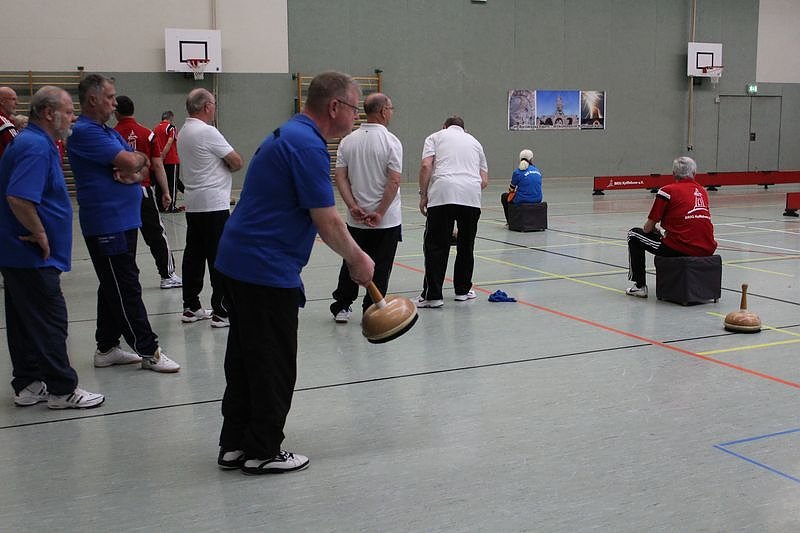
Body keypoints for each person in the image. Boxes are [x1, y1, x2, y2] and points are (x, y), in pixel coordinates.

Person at [214, 71, 374, 475]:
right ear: (334, 107)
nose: (356, 117)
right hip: (263, 267)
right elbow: (328, 220)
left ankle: (235, 443)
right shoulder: (307, 145)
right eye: (354, 108)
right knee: (272, 363)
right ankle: (263, 450)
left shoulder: (291, 134)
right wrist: (358, 259)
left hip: (239, 260)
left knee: (246, 358)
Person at [67, 73, 180, 373]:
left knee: (112, 284)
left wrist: (135, 164)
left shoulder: (108, 132)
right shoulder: (86, 132)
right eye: (109, 97)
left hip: (125, 220)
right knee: (126, 286)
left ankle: (106, 347)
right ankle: (149, 349)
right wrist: (133, 163)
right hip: (107, 224)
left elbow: (140, 165)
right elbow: (132, 163)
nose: (114, 103)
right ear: (93, 99)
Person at [0, 86, 104, 409]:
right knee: (50, 320)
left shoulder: (34, 142)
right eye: (69, 112)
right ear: (48, 113)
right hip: (30, 255)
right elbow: (19, 197)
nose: (73, 118)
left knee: (23, 321)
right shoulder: (34, 146)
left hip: (18, 254)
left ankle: (29, 383)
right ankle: (62, 389)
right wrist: (41, 233)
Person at [329, 92, 402, 323]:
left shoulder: (347, 141)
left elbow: (340, 176)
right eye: (391, 109)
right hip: (386, 220)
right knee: (381, 266)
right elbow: (394, 181)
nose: (391, 113)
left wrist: (353, 206)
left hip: (356, 219)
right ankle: (371, 310)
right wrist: (379, 212)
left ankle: (342, 305)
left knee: (351, 261)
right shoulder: (392, 141)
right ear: (383, 111)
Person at [176, 88, 243, 328]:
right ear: (206, 106)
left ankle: (191, 306)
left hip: (194, 203)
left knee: (194, 255)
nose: (214, 108)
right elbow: (236, 161)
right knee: (219, 256)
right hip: (213, 204)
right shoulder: (208, 132)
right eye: (213, 104)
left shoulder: (183, 132)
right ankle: (222, 311)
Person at [417, 116, 488, 308]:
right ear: (464, 129)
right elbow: (484, 180)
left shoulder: (435, 137)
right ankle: (463, 291)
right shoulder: (475, 142)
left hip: (443, 193)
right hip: (471, 196)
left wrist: (423, 194)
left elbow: (426, 165)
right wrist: (467, 189)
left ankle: (433, 296)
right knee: (466, 245)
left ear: (444, 127)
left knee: (436, 245)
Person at [113, 95, 182, 289]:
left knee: (126, 237)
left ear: (116, 113)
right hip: (143, 190)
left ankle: (127, 279)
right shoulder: (147, 133)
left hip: (121, 192)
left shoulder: (112, 135)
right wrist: (166, 191)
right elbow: (158, 165)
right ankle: (167, 275)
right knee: (156, 234)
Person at [626, 156, 717, 298]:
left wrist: (655, 230)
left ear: (674, 173)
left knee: (633, 234)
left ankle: (639, 286)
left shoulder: (666, 191)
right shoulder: (702, 191)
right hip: (707, 247)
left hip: (680, 247)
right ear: (694, 173)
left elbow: (648, 228)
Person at [500, 149, 543, 223]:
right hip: (538, 199)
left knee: (504, 196)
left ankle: (510, 221)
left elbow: (511, 189)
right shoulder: (537, 170)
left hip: (522, 199)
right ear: (531, 159)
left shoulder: (517, 172)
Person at [153, 110, 183, 212]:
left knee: (160, 184)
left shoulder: (155, 129)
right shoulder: (171, 128)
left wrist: (158, 157)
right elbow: (170, 142)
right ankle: (171, 206)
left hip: (159, 162)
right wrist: (163, 155)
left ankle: (160, 206)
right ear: (171, 118)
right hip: (171, 159)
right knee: (172, 184)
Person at [0, 86, 20, 158]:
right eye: (13, 99)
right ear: (2, 101)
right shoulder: (4, 123)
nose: (17, 103)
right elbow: (18, 149)